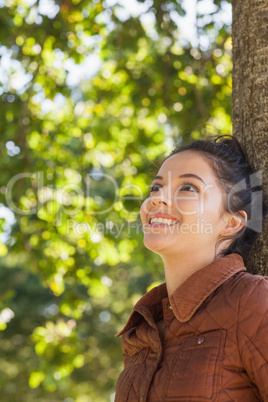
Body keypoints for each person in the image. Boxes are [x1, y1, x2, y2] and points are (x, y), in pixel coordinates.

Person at [114, 135, 268, 401]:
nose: (157, 198)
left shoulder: (253, 300)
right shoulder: (143, 331)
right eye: (155, 187)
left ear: (230, 224)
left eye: (188, 188)